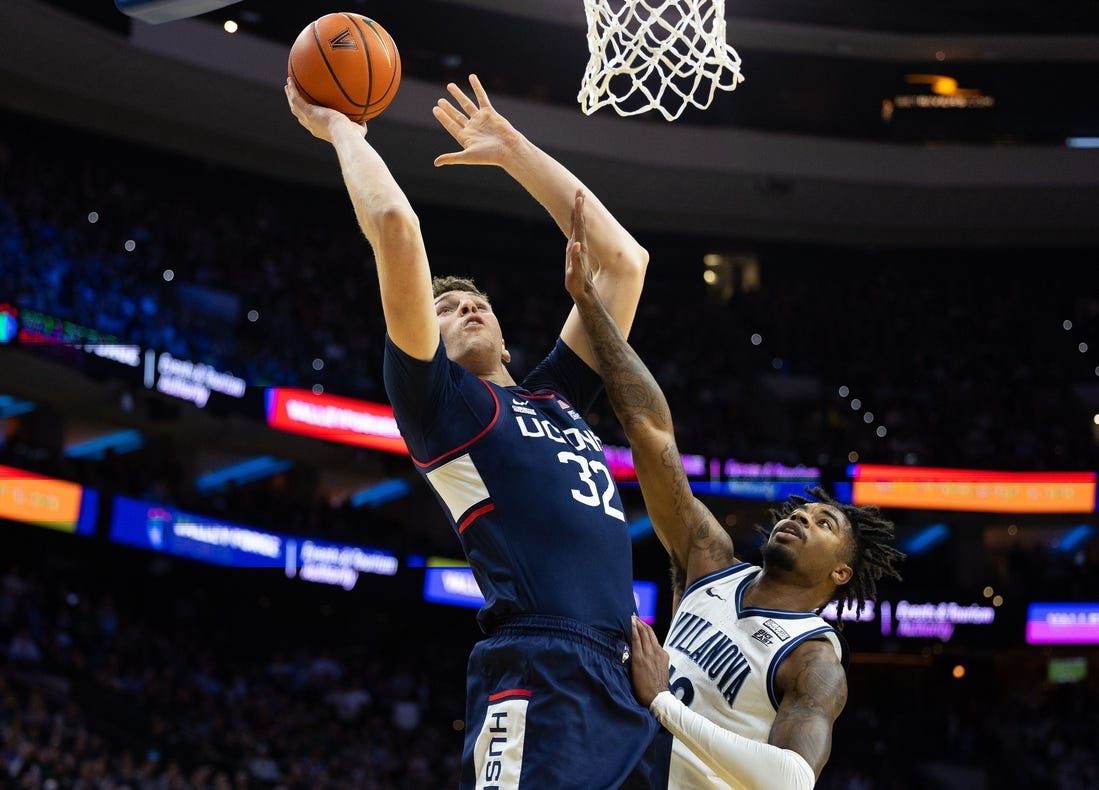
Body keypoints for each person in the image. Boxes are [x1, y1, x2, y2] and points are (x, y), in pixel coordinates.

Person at [285, 75, 670, 789]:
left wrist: (513, 150)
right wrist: (341, 129)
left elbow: (624, 262)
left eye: (478, 304)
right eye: (446, 308)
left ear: (506, 340)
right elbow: (396, 227)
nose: (466, 308)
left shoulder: (554, 395)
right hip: (538, 667)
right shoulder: (440, 405)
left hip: (625, 682)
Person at [563, 190, 905, 789]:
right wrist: (592, 307)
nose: (801, 518)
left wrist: (661, 701)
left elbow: (791, 780)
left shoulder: (812, 658)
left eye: (824, 523)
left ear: (841, 572)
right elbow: (650, 432)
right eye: (802, 511)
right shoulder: (709, 560)